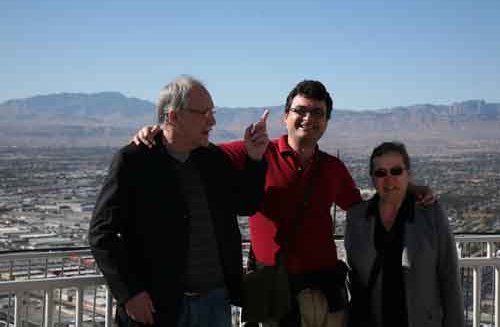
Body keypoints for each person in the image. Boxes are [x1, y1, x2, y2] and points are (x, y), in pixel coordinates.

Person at [132, 80, 434, 327]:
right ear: (284, 117)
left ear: (327, 121)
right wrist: (158, 134)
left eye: (318, 113)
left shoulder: (332, 168)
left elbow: (362, 210)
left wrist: (405, 190)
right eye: (301, 110)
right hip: (273, 295)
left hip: (324, 294)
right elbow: (194, 147)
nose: (309, 119)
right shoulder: (255, 152)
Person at [88, 75, 269, 327]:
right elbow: (101, 233)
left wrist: (254, 159)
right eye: (204, 113)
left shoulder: (212, 159)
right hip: (157, 306)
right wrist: (129, 293)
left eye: (212, 112)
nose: (213, 121)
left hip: (213, 303)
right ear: (173, 117)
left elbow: (245, 205)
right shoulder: (135, 160)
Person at [344, 142, 464, 327]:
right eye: (381, 173)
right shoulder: (356, 219)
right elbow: (355, 279)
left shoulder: (430, 214)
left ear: (409, 174)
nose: (389, 179)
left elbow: (449, 279)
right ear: (372, 178)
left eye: (396, 171)